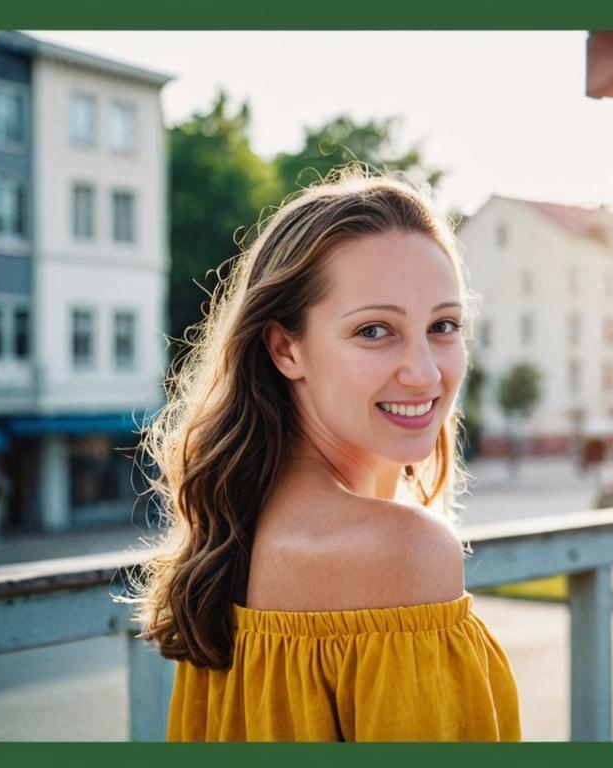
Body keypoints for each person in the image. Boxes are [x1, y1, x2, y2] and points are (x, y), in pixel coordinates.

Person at [134, 168, 521, 742]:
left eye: (443, 325)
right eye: (374, 331)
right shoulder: (400, 552)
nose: (425, 371)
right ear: (286, 349)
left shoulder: (233, 533)